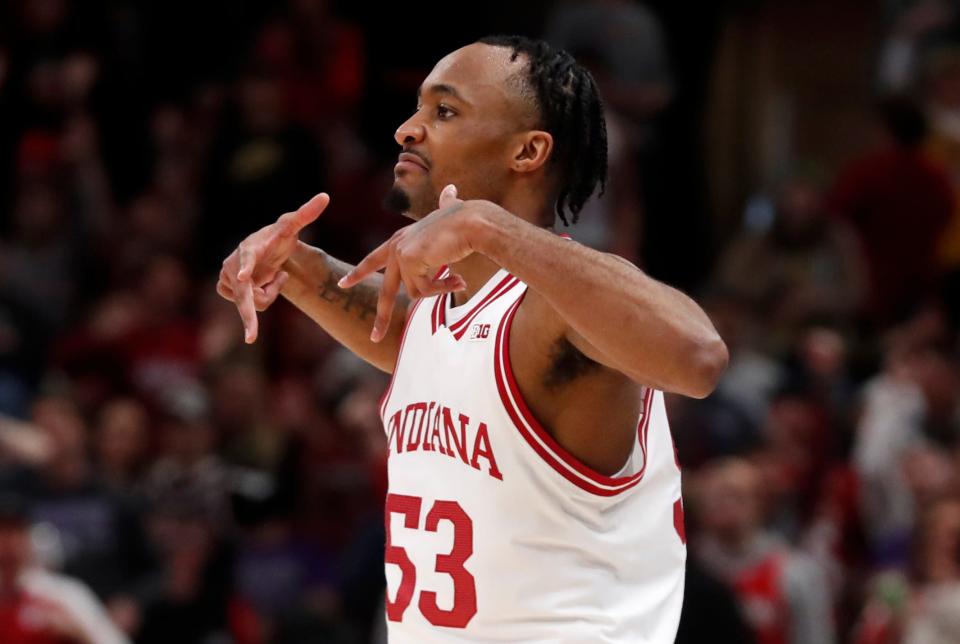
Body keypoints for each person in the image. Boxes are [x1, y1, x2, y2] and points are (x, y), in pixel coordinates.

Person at [217, 35, 728, 643]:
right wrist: (298, 267)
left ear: (529, 151)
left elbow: (699, 358)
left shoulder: (559, 308)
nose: (408, 130)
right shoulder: (448, 313)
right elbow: (413, 340)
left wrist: (490, 227)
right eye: (418, 108)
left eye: (445, 111)